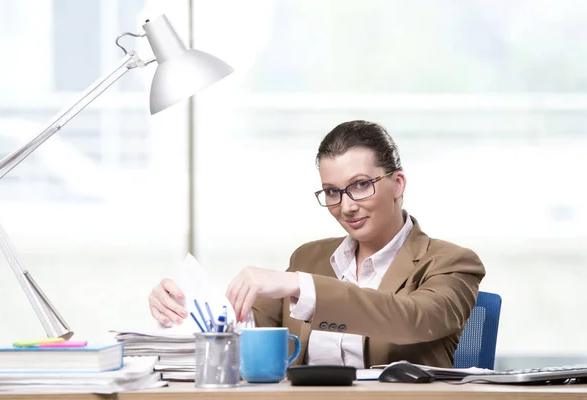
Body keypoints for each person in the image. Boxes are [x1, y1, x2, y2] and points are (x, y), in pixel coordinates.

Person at [148, 120, 485, 368]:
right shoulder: (309, 257)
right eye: (332, 191)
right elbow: (237, 330)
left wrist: (299, 284)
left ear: (397, 184)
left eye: (361, 185)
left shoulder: (452, 262)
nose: (347, 205)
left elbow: (413, 319)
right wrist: (183, 308)